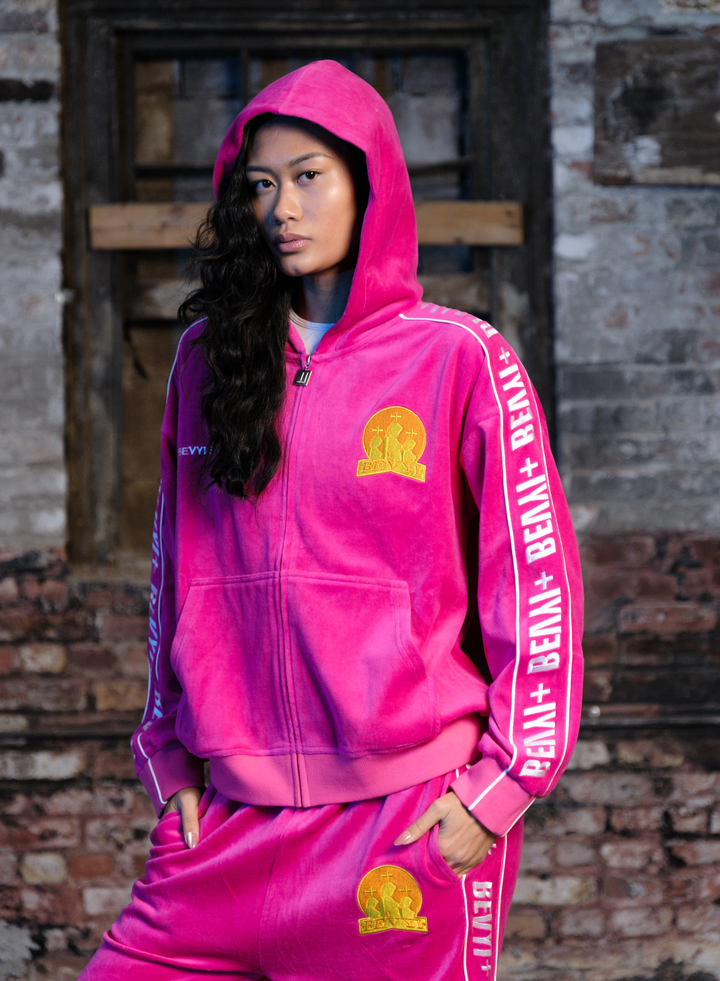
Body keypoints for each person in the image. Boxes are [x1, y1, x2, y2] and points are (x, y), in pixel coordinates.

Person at [80, 60, 584, 981]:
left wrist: (501, 790)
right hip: (227, 823)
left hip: (401, 822)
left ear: (368, 182)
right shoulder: (207, 361)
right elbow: (174, 571)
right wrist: (168, 762)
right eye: (261, 185)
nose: (283, 208)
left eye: (309, 176)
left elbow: (533, 581)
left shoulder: (459, 359)